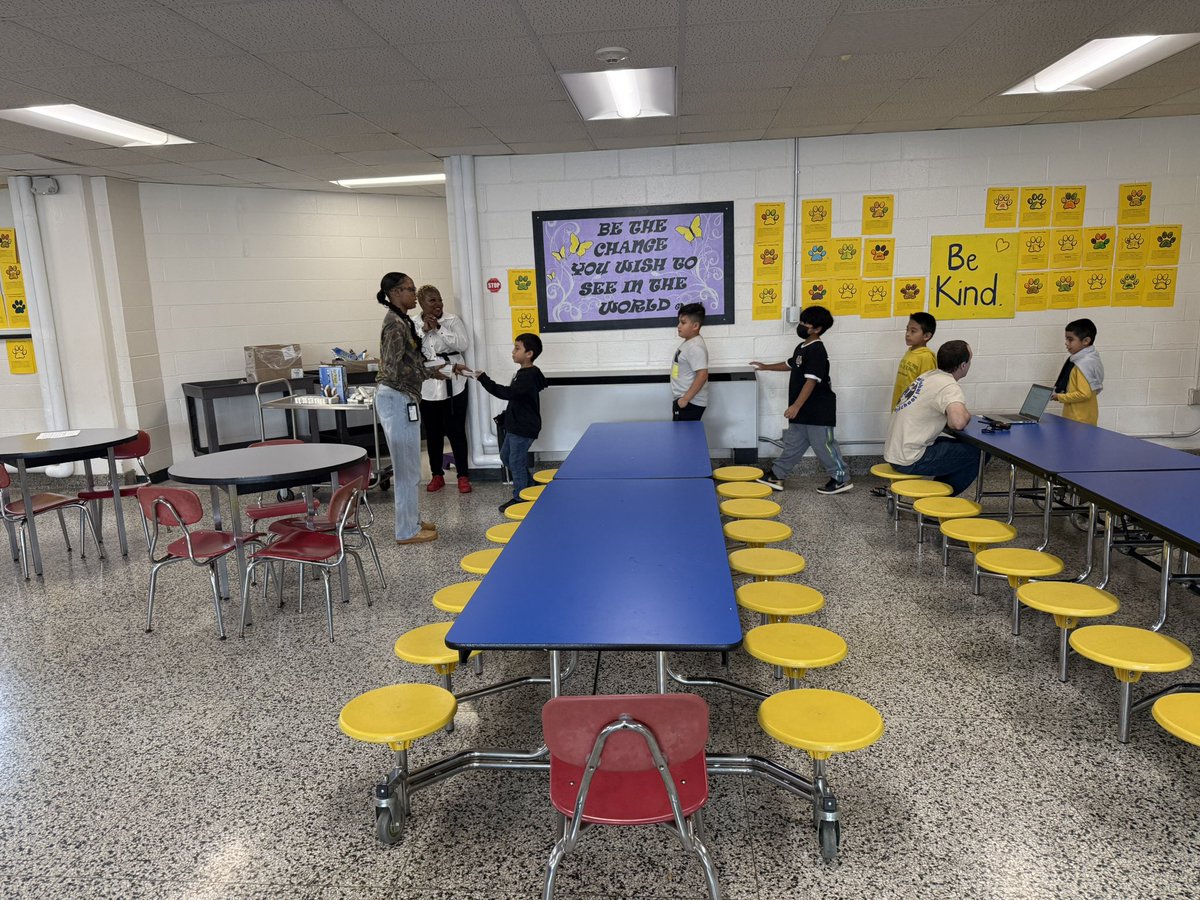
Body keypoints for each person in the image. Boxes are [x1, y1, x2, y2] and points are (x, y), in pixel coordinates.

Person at [750, 304, 853, 494]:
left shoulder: (817, 350)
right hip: (802, 410)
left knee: (824, 446)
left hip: (817, 410)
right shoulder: (802, 347)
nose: (801, 326)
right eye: (801, 321)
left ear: (817, 329)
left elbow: (811, 381)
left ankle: (841, 479)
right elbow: (791, 364)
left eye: (805, 323)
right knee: (793, 445)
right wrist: (765, 367)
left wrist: (795, 406)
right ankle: (777, 475)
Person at [375, 272, 438, 545]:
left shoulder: (403, 321)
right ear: (395, 293)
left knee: (411, 466)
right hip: (397, 397)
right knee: (406, 469)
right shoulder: (394, 324)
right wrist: (427, 371)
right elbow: (392, 369)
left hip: (405, 397)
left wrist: (432, 370)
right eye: (410, 289)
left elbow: (408, 359)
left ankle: (412, 520)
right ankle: (406, 531)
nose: (415, 294)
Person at [462, 333, 547, 514]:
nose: (513, 352)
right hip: (516, 426)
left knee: (515, 461)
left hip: (523, 428)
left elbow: (506, 393)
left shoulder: (528, 376)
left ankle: (521, 497)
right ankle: (530, 484)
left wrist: (484, 379)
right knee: (506, 456)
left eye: (517, 348)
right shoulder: (524, 373)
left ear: (529, 354)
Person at [883, 340, 979, 496]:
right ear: (963, 365)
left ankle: (937, 494)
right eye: (970, 361)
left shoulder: (928, 376)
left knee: (960, 447)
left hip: (896, 452)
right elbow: (958, 423)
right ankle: (939, 500)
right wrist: (966, 415)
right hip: (910, 458)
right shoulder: (948, 386)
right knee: (978, 453)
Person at [873, 312, 938, 496]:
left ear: (927, 336)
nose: (908, 334)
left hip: (912, 415)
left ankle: (904, 489)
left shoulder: (927, 357)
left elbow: (929, 386)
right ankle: (894, 489)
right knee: (896, 449)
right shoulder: (910, 351)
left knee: (904, 452)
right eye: (907, 330)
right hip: (900, 410)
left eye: (913, 331)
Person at [415, 284, 472, 494]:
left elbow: (463, 344)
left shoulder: (452, 320)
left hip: (454, 381)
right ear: (421, 303)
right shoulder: (413, 323)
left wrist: (439, 328)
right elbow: (411, 348)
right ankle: (436, 474)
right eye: (432, 300)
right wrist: (424, 330)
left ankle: (463, 475)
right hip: (428, 385)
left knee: (456, 430)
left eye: (439, 299)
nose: (438, 304)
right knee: (433, 432)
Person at [1051, 318, 1104, 425]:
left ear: (1086, 341)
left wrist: (1059, 397)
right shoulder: (1090, 360)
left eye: (1070, 339)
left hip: (1078, 419)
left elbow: (1084, 394)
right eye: (1066, 339)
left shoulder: (1082, 365)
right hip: (1083, 416)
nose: (1066, 343)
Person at [671, 302, 709, 421]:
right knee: (680, 432)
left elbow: (702, 375)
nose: (678, 326)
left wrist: (685, 399)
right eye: (679, 322)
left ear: (695, 326)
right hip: (684, 400)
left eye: (683, 323)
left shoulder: (695, 347)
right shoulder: (689, 343)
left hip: (690, 403)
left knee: (685, 433)